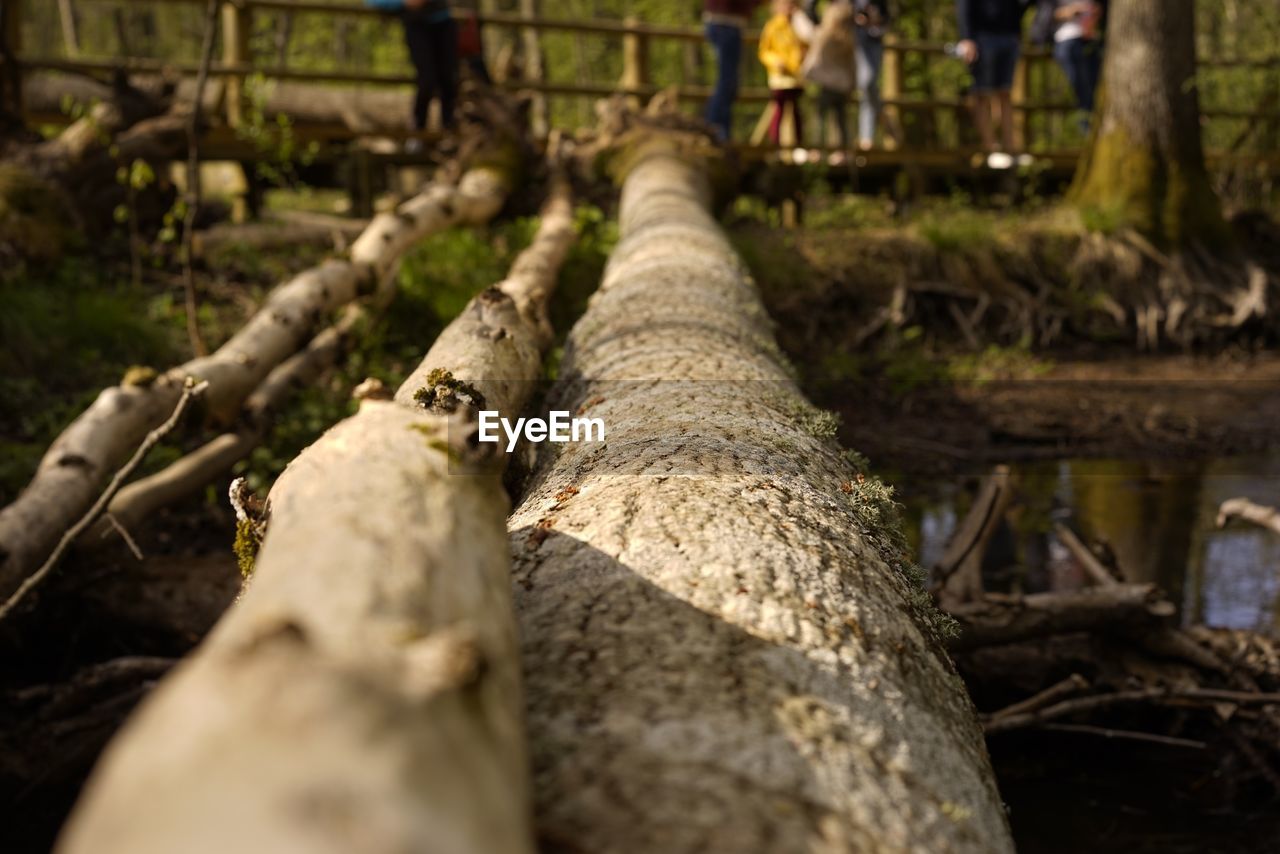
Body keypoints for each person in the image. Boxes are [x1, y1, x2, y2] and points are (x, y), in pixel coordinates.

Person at [366, 0, 459, 137]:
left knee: (448, 80)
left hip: (444, 23)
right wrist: (404, 3)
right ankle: (417, 132)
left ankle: (448, 132)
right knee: (427, 80)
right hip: (417, 25)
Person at [805, 0, 889, 151]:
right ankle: (818, 149)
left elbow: (884, 16)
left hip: (841, 83)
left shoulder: (848, 37)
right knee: (824, 114)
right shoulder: (826, 36)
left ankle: (857, 143)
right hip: (830, 83)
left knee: (843, 110)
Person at [956, 0, 1030, 154]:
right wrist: (967, 37)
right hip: (982, 37)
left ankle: (1010, 149)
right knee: (981, 94)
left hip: (1010, 35)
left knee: (1005, 93)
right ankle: (991, 148)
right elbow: (964, 6)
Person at [1031, 0, 1104, 131]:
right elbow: (1045, 14)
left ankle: (1093, 127)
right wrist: (1071, 11)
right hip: (1067, 41)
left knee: (1097, 89)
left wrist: (1096, 12)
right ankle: (1086, 128)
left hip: (1092, 39)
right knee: (1082, 89)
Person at [703, 0, 764, 142]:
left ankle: (719, 130)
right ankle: (715, 129)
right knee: (727, 83)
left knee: (729, 83)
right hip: (724, 24)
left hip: (726, 24)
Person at [759, 0, 809, 147]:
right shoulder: (773, 26)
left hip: (796, 76)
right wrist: (775, 62)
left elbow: (807, 42)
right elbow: (764, 51)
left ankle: (798, 146)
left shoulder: (799, 26)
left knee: (796, 111)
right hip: (780, 77)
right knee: (779, 110)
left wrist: (804, 55)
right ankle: (776, 145)